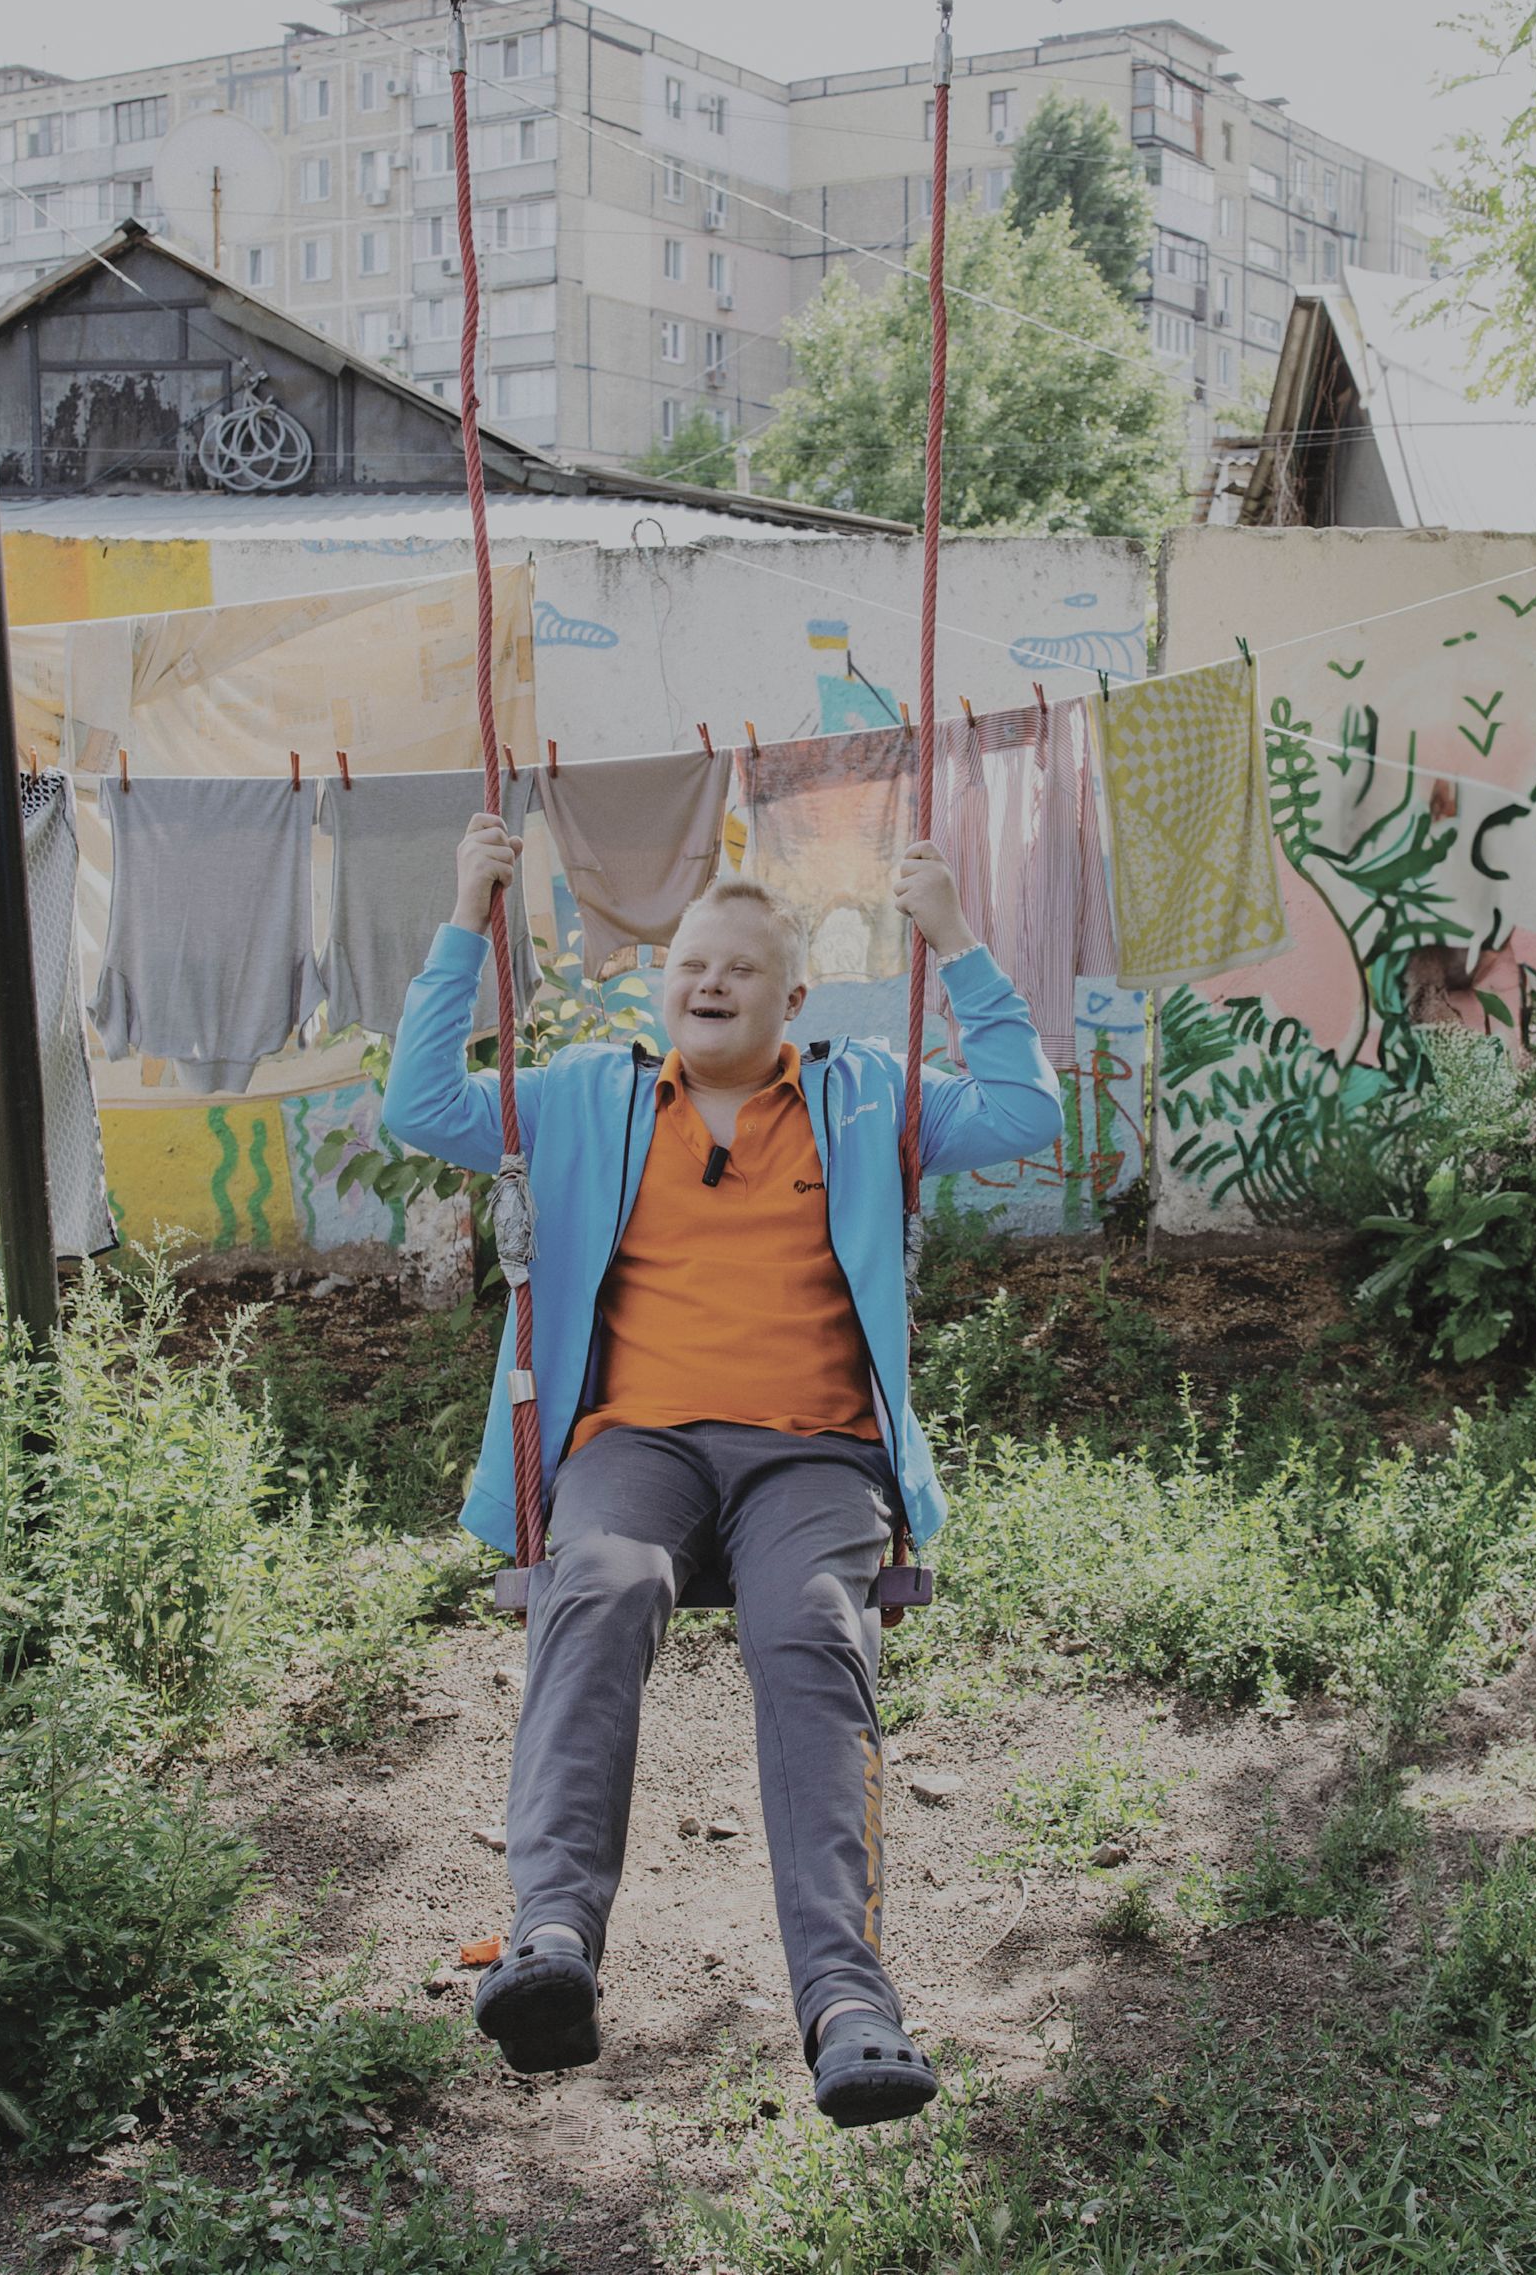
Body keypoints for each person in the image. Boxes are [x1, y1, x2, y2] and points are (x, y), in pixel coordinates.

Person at [379, 814, 1062, 2127]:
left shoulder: (867, 1097)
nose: (707, 983)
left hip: (814, 1459)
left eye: (739, 968)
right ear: (663, 978)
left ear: (792, 998)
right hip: (635, 1447)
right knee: (600, 1582)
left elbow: (1028, 1106)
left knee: (813, 1632)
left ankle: (850, 2005)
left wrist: (957, 941)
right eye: (691, 962)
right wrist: (467, 913)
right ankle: (553, 1943)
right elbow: (420, 1104)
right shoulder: (591, 1094)